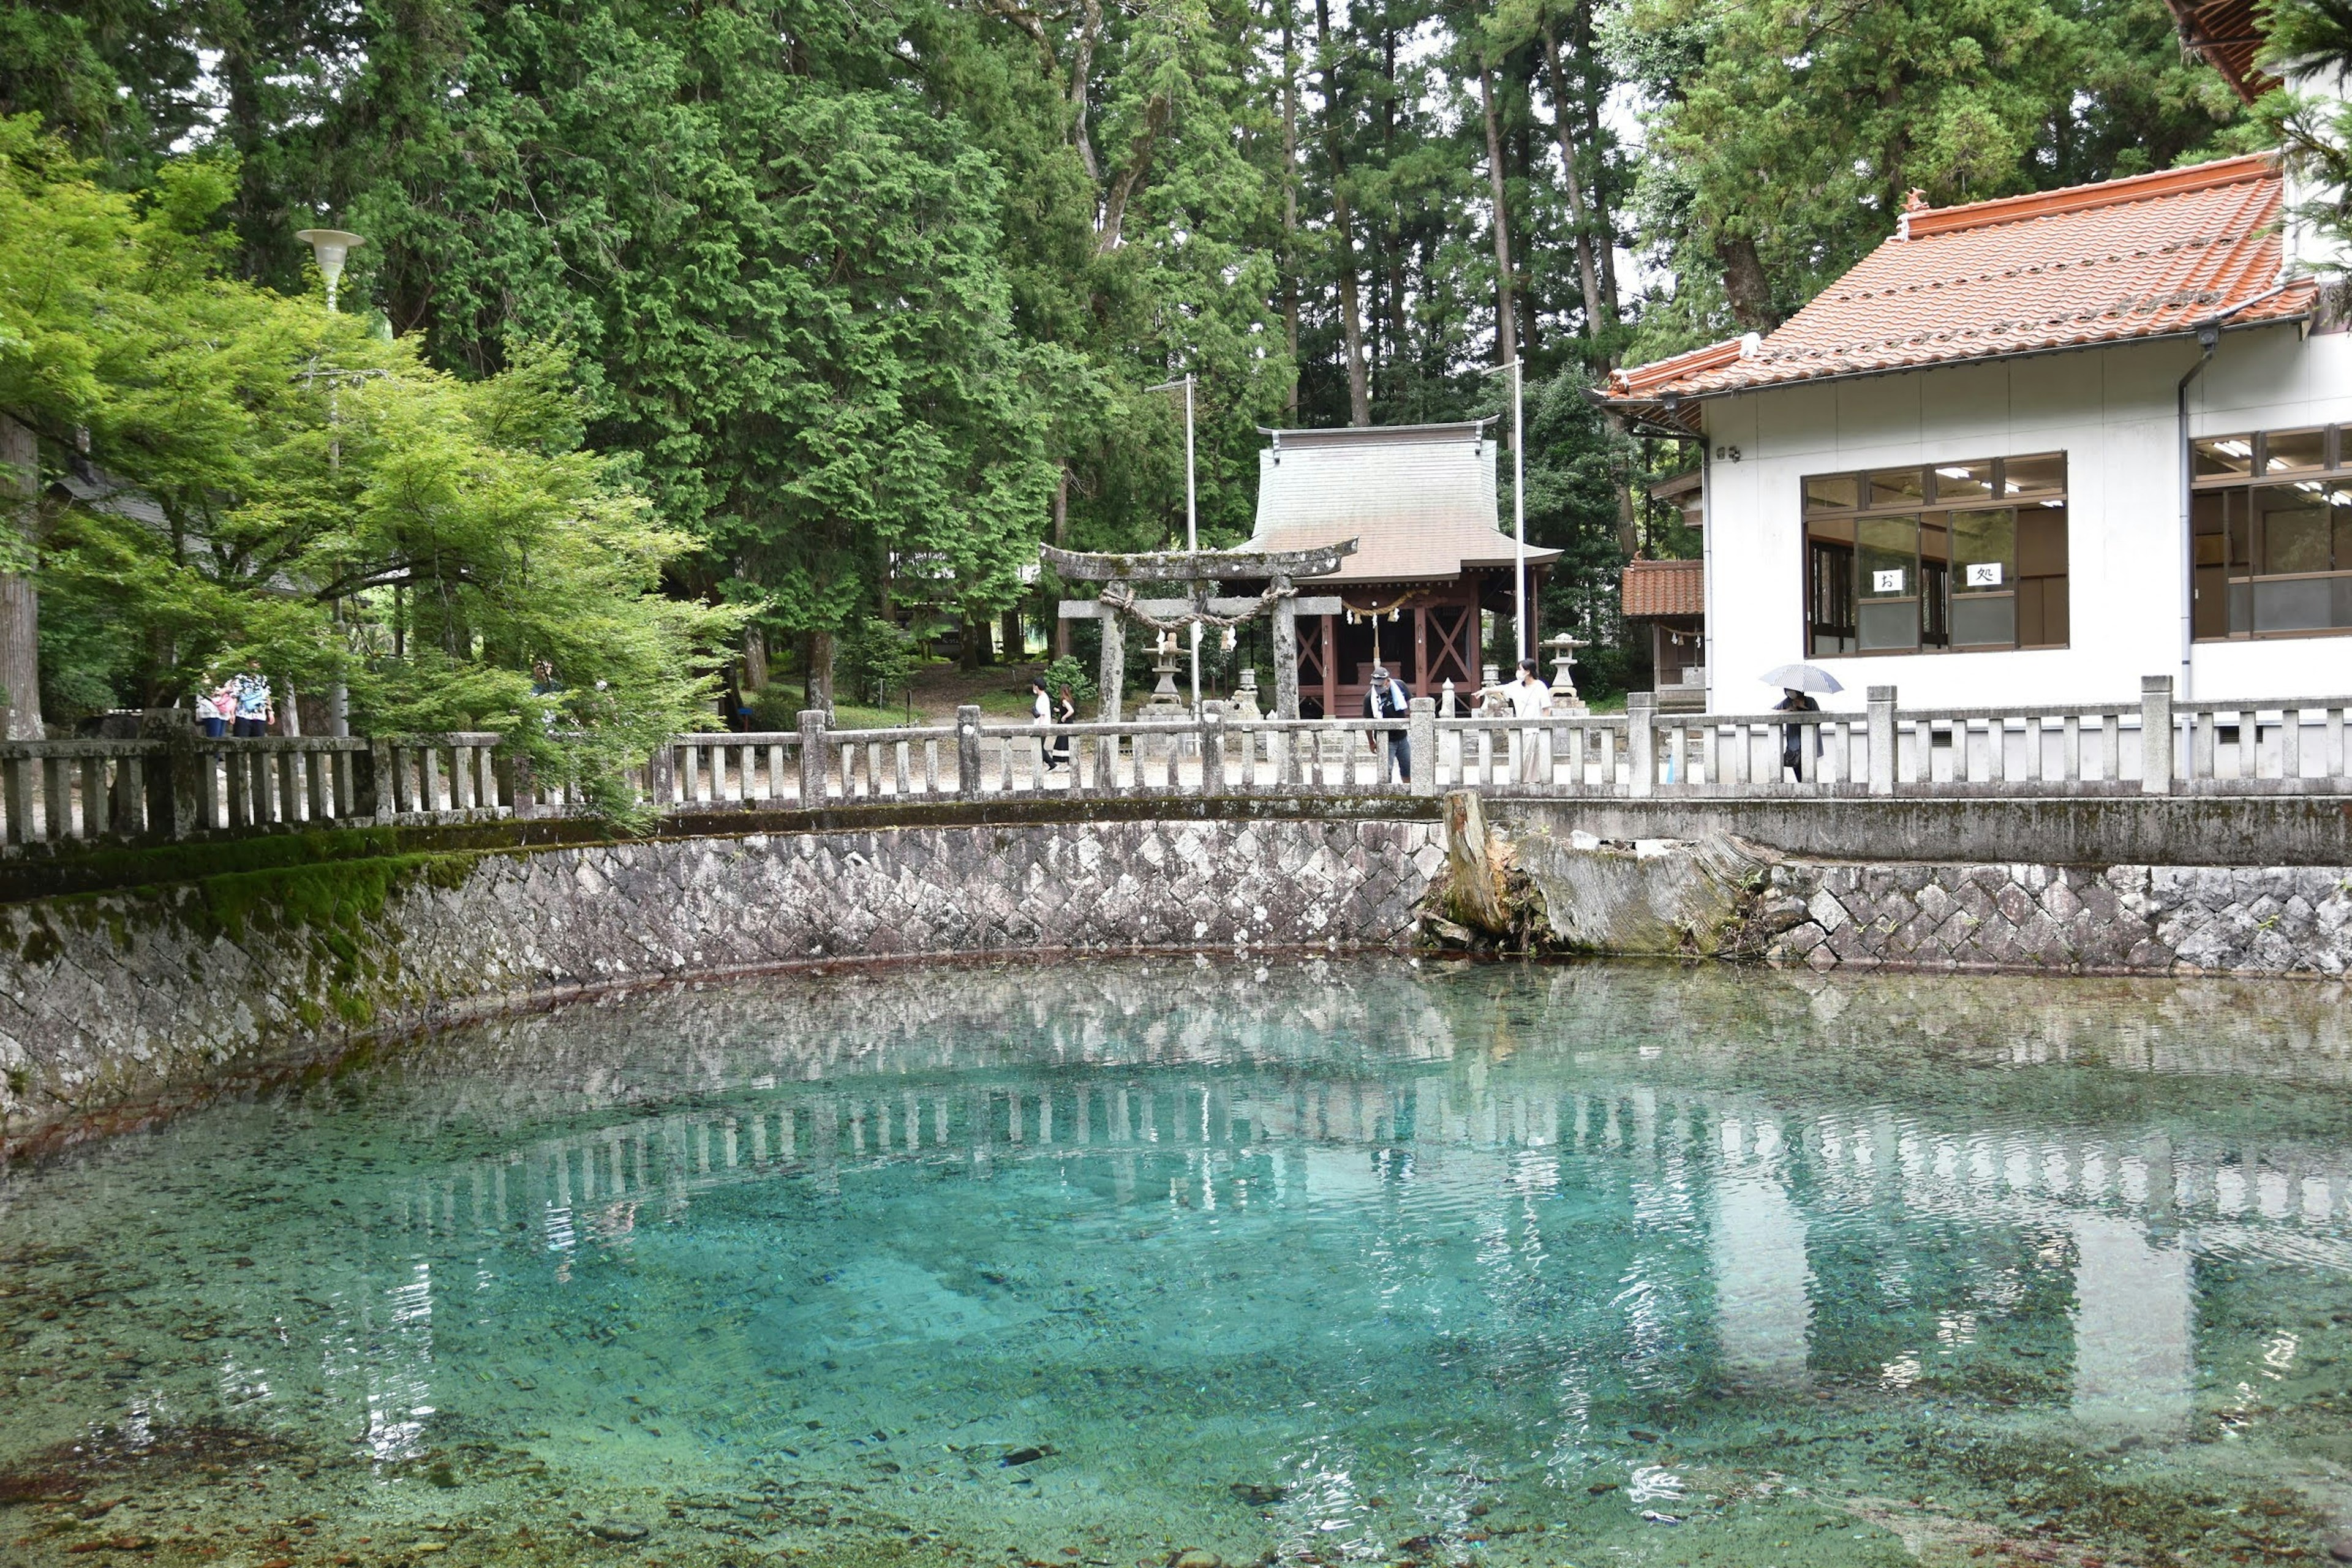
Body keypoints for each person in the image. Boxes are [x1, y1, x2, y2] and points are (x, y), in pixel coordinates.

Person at [1497, 658, 1553, 785]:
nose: (1518, 672)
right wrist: (1485, 690)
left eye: (1520, 669)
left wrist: (1543, 726)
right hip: (1520, 727)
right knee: (1520, 754)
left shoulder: (1540, 686)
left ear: (1528, 671)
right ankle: (1522, 779)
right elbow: (1503, 688)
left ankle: (1529, 780)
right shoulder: (1518, 685)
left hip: (1534, 728)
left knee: (1530, 755)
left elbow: (1546, 708)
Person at [1364, 665, 1411, 783]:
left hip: (1403, 737)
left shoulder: (1400, 686)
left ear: (1388, 681)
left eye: (1381, 683)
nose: (1378, 686)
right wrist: (1371, 742)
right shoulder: (1370, 698)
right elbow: (1368, 723)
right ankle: (1387, 793)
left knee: (1408, 767)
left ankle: (1408, 793)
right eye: (1376, 684)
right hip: (1385, 739)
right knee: (1386, 771)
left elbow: (1411, 704)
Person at [1774, 686, 1821, 778]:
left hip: (1809, 741)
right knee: (1797, 767)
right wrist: (1787, 710)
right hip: (1794, 744)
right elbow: (1772, 711)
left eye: (1792, 690)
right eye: (1787, 690)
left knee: (1809, 771)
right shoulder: (1787, 702)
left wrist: (1803, 707)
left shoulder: (1810, 701)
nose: (1789, 692)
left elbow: (1819, 720)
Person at [232, 663, 273, 737]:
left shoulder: (263, 679)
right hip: (242, 715)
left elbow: (267, 696)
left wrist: (270, 712)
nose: (256, 666)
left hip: (260, 716)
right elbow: (234, 696)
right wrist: (232, 714)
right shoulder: (240, 678)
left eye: (258, 664)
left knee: (259, 743)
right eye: (254, 663)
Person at [1052, 684, 1077, 772]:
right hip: (1069, 723)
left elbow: (1071, 711)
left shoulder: (1064, 701)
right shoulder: (1070, 700)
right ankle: (1067, 763)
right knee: (1065, 742)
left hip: (1065, 724)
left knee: (1062, 742)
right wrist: (1059, 710)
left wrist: (1064, 717)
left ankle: (1060, 763)